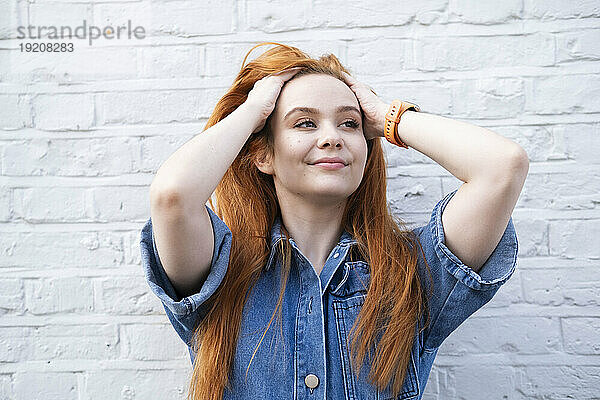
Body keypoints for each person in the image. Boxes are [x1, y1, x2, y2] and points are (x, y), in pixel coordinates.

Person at [139, 42, 528, 400]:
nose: (332, 138)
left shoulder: (414, 274)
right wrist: (253, 112)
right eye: (305, 123)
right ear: (262, 156)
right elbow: (172, 196)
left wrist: (386, 116)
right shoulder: (220, 272)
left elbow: (502, 166)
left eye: (350, 123)